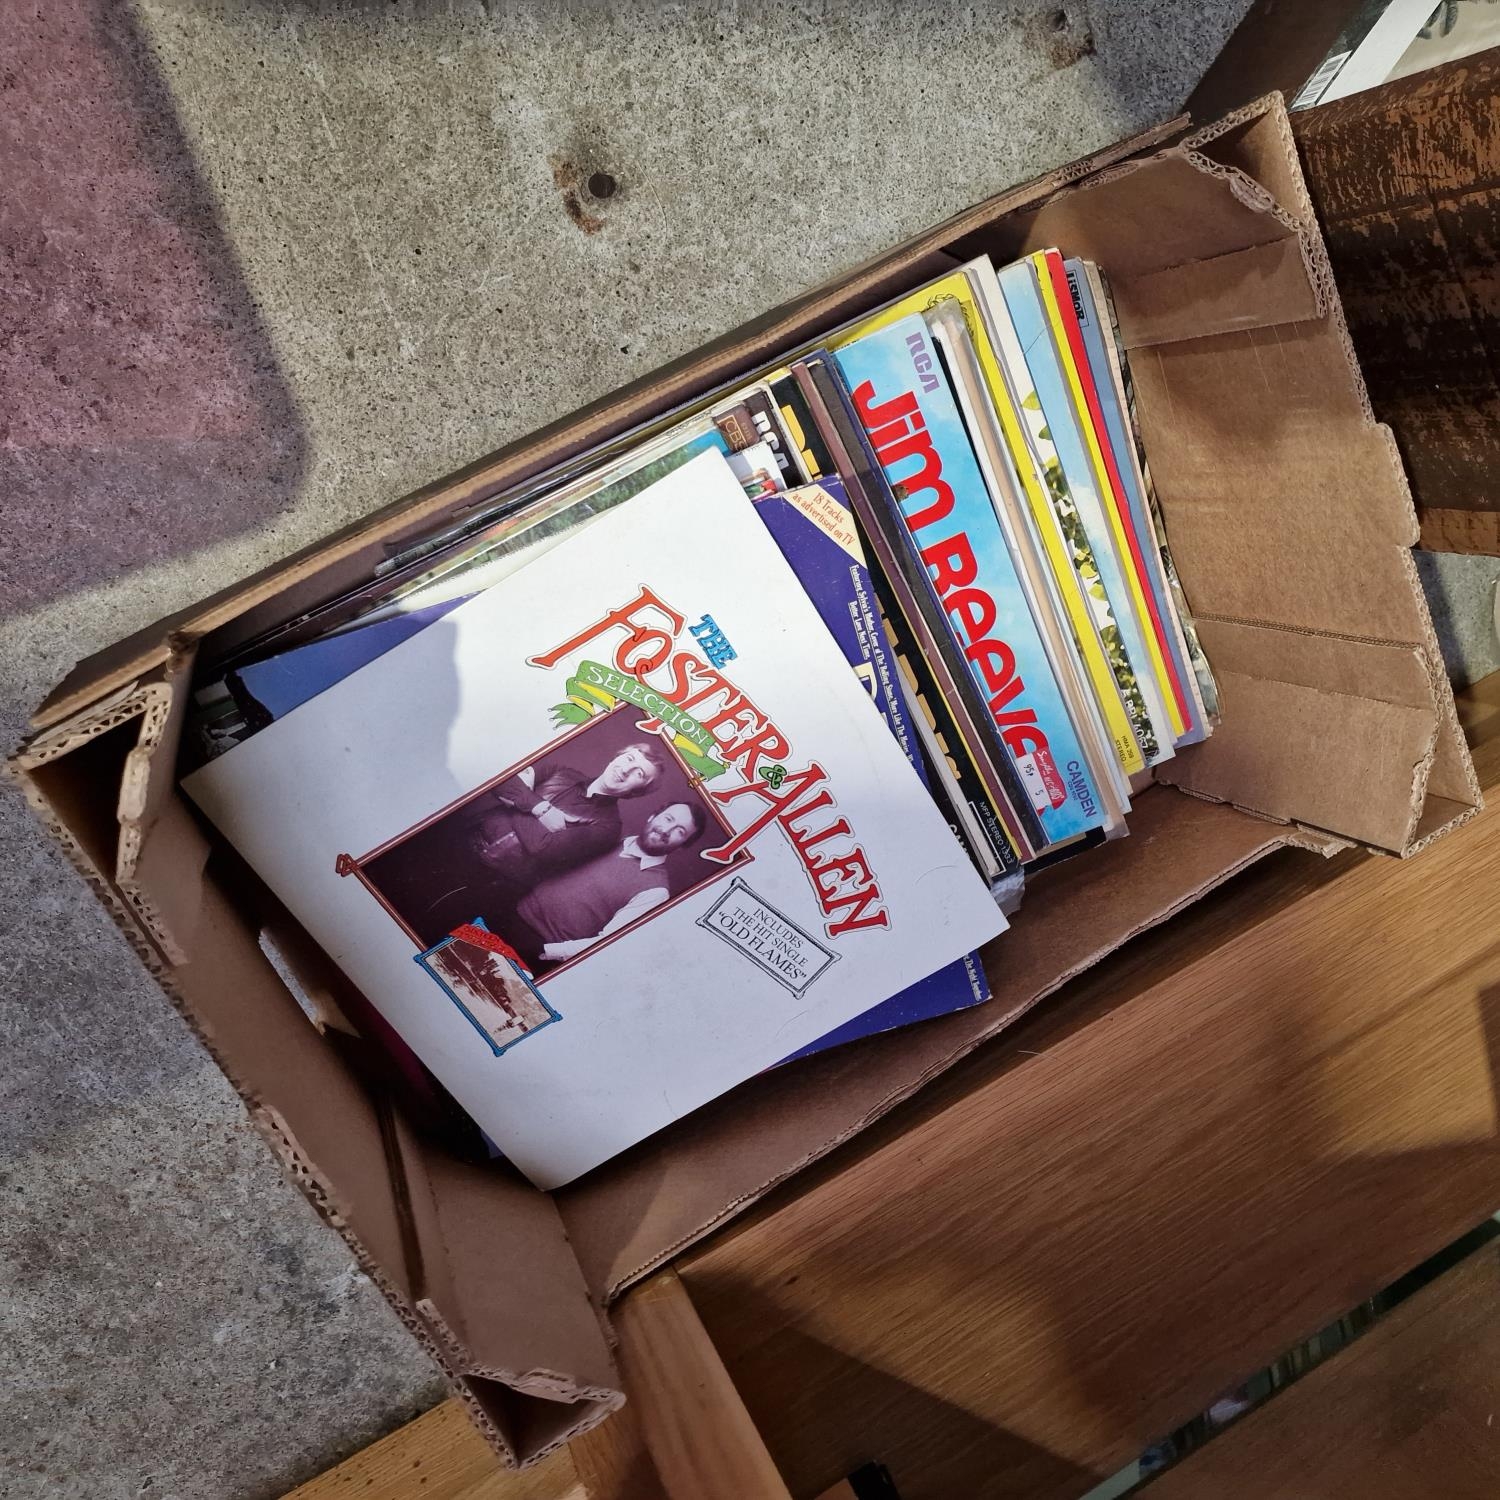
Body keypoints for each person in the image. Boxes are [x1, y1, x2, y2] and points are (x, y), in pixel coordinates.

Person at [364, 739, 667, 948]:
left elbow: (544, 848)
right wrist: (540, 808)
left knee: (418, 927)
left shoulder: (608, 828)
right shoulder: (561, 771)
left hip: (488, 883)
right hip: (455, 843)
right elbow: (502, 781)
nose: (626, 769)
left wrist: (519, 800)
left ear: (638, 790)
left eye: (638, 773)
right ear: (617, 756)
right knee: (379, 894)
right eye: (629, 759)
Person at [505, 801, 707, 969]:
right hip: (514, 911)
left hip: (539, 947)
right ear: (653, 816)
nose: (666, 830)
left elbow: (607, 942)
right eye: (668, 819)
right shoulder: (610, 837)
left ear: (683, 845)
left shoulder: (656, 891)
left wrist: (543, 951)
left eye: (680, 831)